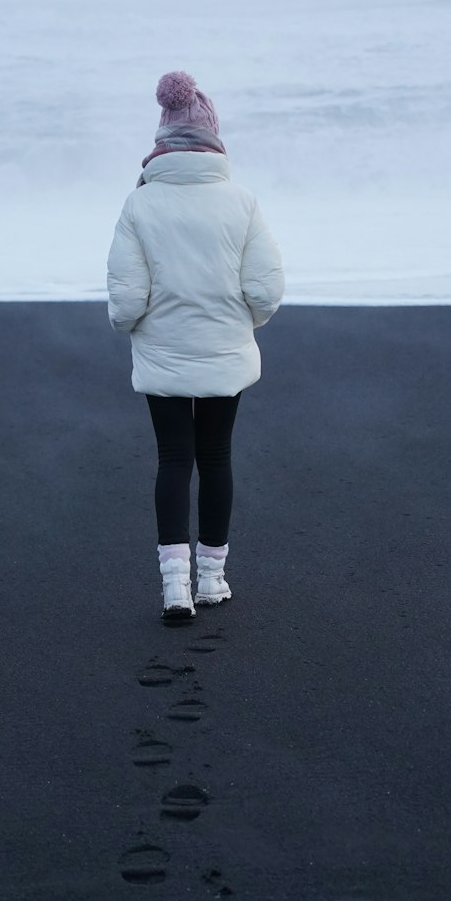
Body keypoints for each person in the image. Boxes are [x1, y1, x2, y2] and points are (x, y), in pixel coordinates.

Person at [106, 70, 285, 622]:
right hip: (224, 352)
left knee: (173, 459)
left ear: (162, 141)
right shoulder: (243, 202)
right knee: (216, 458)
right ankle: (212, 579)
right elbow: (265, 289)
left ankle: (174, 588)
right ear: (213, 139)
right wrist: (240, 323)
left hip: (163, 355)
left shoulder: (140, 205)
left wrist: (137, 327)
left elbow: (125, 302)